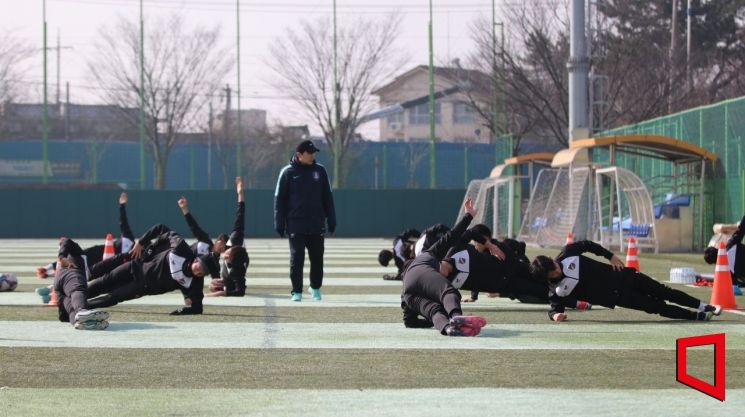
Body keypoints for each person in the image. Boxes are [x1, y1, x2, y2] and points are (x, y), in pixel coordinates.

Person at [530, 240, 722, 322]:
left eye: (554, 264)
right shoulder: (557, 290)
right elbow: (554, 308)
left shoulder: (567, 253)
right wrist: (556, 316)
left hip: (624, 276)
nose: (557, 269)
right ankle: (695, 317)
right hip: (620, 297)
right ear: (547, 277)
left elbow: (587, 244)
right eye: (553, 272)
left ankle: (705, 306)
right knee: (657, 307)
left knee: (665, 291)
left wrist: (610, 256)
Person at [85, 224, 220, 315]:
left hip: (141, 287)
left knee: (113, 297)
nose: (199, 271)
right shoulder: (181, 248)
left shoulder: (195, 283)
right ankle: (75, 298)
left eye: (203, 272)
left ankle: (83, 307)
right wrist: (142, 243)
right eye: (200, 266)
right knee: (105, 281)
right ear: (196, 260)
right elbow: (163, 229)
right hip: (135, 267)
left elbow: (197, 308)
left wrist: (183, 309)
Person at [400, 197, 488, 337]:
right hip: (418, 271)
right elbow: (451, 236)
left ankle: (449, 328)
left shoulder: (405, 289)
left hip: (408, 294)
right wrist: (468, 216)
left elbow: (409, 322)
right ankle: (457, 317)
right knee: (448, 291)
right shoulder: (426, 256)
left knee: (435, 310)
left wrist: (435, 322)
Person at [36, 192, 136, 304]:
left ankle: (50, 292)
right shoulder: (129, 239)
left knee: (81, 280)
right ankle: (47, 270)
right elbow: (123, 222)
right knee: (73, 263)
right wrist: (122, 206)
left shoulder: (134, 258)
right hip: (97, 254)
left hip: (104, 269)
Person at [274, 139, 336, 302]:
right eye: (310, 152)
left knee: (317, 258)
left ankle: (315, 287)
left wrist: (331, 219)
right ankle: (296, 291)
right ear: (299, 155)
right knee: (297, 258)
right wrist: (279, 223)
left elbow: (327, 198)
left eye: (314, 152)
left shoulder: (320, 171)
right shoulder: (287, 172)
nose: (313, 155)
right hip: (296, 223)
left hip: (316, 223)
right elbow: (279, 200)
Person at [178, 177, 247, 291]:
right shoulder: (205, 241)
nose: (222, 247)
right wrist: (184, 208)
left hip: (188, 274)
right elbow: (194, 227)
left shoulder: (214, 263)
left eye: (224, 247)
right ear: (217, 241)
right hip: (178, 258)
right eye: (222, 243)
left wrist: (217, 287)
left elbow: (216, 279)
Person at [206, 177, 249, 297]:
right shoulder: (218, 251)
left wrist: (240, 194)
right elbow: (214, 268)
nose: (216, 244)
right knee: (215, 285)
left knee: (228, 282)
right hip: (234, 264)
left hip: (238, 262)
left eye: (218, 242)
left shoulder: (235, 240)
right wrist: (216, 281)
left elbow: (240, 216)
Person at [54, 238, 110, 330]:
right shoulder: (76, 253)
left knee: (72, 310)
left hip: (59, 284)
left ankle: (80, 323)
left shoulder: (86, 266)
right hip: (69, 274)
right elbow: (66, 241)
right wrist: (62, 257)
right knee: (78, 289)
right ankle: (81, 310)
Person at [704, 214, 745, 287]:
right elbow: (741, 230)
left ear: (715, 263)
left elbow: (737, 282)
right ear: (717, 249)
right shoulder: (731, 245)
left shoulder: (727, 272)